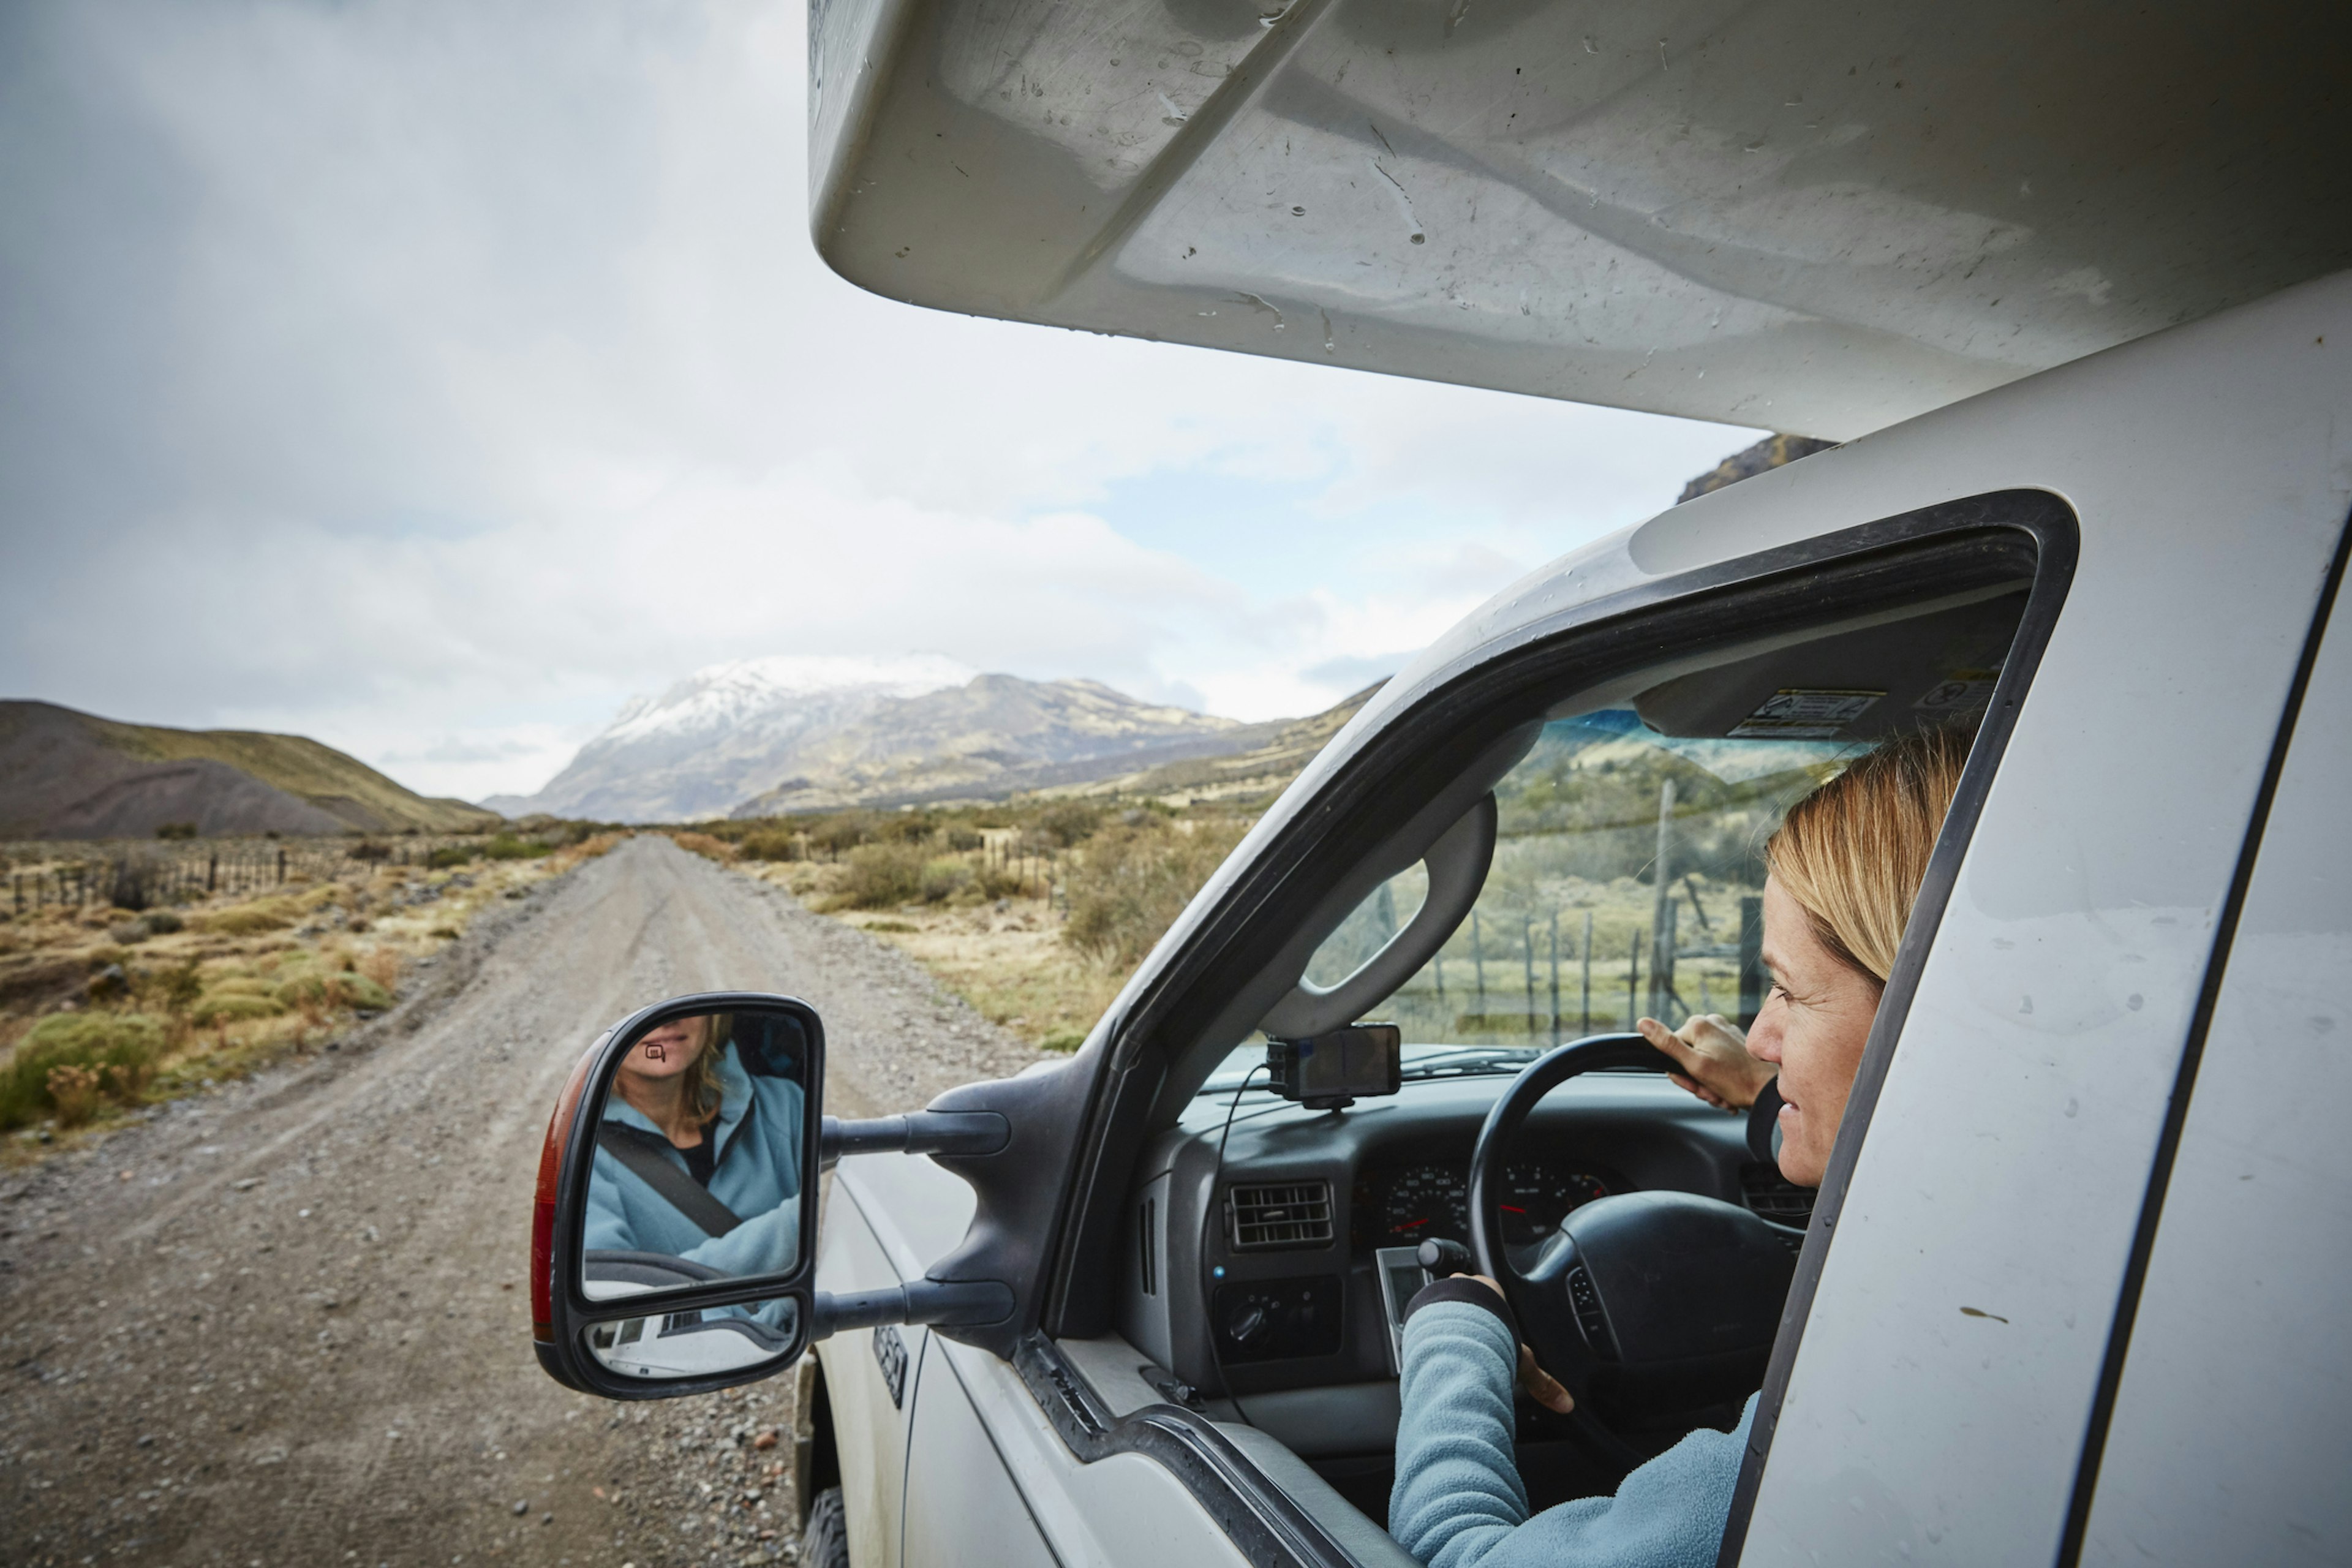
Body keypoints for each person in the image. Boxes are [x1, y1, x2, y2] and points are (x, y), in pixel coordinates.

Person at [1388, 725, 1974, 1568]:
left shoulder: (1873, 1404)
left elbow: (1457, 1554)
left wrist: (1456, 1328)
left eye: (1787, 991)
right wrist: (1770, 1100)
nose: (1762, 1034)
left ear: (1926, 1012)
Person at [584, 1012, 805, 1281]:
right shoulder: (582, 1155)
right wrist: (803, 1223)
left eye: (682, 1000)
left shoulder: (784, 1105)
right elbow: (617, 1301)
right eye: (640, 1005)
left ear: (714, 1017)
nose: (665, 1020)